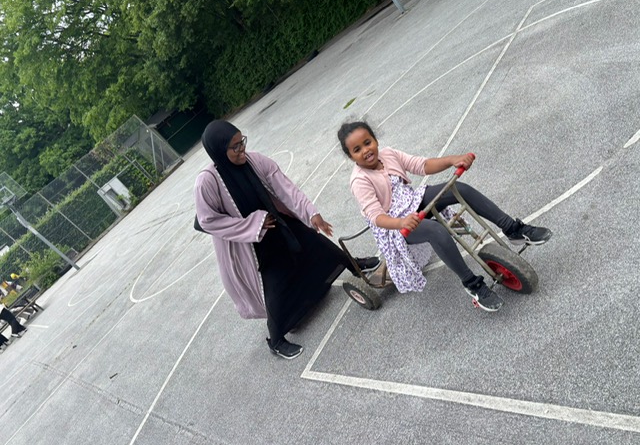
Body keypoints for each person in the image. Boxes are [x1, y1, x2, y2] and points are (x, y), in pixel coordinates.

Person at [194, 120, 380, 359]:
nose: (242, 150)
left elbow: (285, 188)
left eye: (242, 142)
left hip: (279, 223)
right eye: (235, 147)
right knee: (274, 288)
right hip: (253, 243)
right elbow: (208, 221)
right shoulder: (207, 182)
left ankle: (355, 266)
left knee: (318, 243)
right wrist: (253, 224)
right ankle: (275, 340)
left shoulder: (254, 160)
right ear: (219, 151)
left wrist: (311, 213)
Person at [337, 121, 552, 312]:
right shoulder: (359, 181)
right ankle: (472, 283)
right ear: (351, 157)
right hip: (392, 225)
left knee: (458, 189)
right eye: (357, 150)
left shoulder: (388, 154)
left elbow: (422, 165)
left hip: (411, 202)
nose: (366, 150)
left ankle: (513, 229)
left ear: (375, 140)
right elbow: (376, 217)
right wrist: (401, 222)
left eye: (368, 143)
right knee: (436, 230)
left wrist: (452, 160)